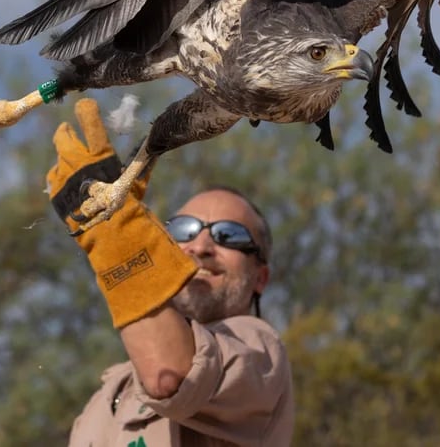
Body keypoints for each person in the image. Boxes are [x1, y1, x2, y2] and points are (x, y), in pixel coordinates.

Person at [47, 99, 294, 446]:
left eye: (229, 236)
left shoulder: (259, 353)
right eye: (183, 230)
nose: (201, 246)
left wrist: (115, 236)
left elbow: (169, 376)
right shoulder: (110, 392)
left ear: (260, 278)